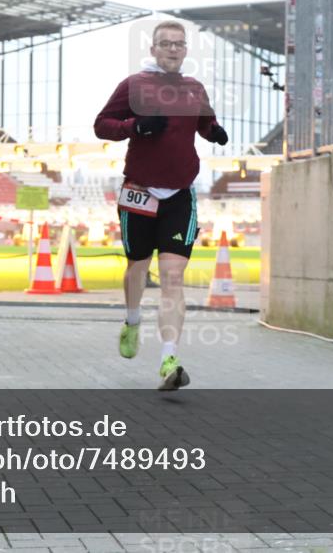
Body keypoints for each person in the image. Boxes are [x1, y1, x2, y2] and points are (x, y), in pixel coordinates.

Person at [93, 21, 228, 390]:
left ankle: (170, 358)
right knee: (137, 268)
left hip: (179, 194)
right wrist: (135, 126)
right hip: (139, 191)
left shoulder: (193, 88)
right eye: (165, 44)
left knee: (171, 277)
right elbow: (102, 125)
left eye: (179, 44)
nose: (172, 49)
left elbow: (204, 121)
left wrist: (213, 130)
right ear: (153, 50)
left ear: (185, 51)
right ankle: (133, 321)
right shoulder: (134, 85)